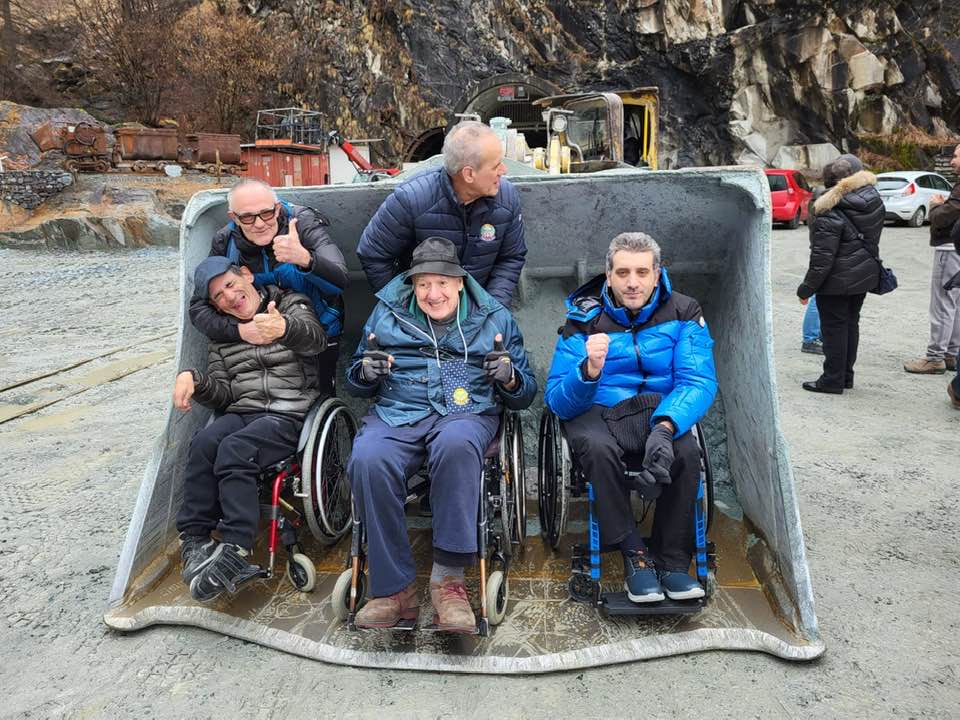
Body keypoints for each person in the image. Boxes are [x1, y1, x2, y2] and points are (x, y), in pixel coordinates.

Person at [345, 237, 537, 632]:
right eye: (423, 284)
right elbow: (356, 381)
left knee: (456, 444)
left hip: (466, 411)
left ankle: (448, 583)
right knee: (368, 457)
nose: (433, 294)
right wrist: (365, 373)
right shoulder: (386, 313)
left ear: (460, 282)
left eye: (442, 283)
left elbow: (525, 394)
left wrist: (510, 378)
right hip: (400, 408)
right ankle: (393, 589)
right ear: (412, 285)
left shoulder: (494, 317)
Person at [544, 232, 718, 604]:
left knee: (687, 454)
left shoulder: (684, 311)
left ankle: (672, 562)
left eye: (642, 272)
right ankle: (635, 555)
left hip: (660, 407)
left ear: (657, 274)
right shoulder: (583, 319)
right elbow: (558, 400)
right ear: (608, 276)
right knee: (596, 449)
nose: (632, 282)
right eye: (623, 272)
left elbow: (698, 381)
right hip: (599, 409)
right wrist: (589, 370)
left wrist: (666, 425)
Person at [173, 256, 327, 603]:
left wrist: (284, 328)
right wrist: (195, 380)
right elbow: (225, 395)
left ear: (246, 275)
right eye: (218, 296)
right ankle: (195, 538)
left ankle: (237, 546)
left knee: (234, 449)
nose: (229, 297)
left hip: (289, 412)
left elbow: (315, 341)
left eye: (230, 285)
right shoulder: (222, 335)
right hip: (244, 410)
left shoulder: (289, 303)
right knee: (204, 442)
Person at [189, 178, 348, 387]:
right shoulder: (225, 241)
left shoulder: (302, 224)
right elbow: (198, 308)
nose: (259, 224)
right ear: (234, 217)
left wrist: (305, 259)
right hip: (262, 334)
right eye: (247, 217)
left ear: (278, 208)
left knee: (322, 389)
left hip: (318, 327)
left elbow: (340, 281)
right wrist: (240, 331)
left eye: (267, 213)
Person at [356, 120, 526, 308]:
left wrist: (492, 310)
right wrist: (406, 308)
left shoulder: (506, 198)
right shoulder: (411, 200)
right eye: (496, 166)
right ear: (469, 174)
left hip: (482, 309)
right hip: (424, 309)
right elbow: (373, 253)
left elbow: (510, 258)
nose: (504, 170)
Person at [797, 154, 883, 394]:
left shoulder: (829, 209)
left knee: (834, 328)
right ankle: (845, 376)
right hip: (863, 275)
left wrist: (806, 288)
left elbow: (822, 258)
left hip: (836, 280)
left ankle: (832, 380)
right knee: (850, 324)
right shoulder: (873, 199)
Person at [903, 144, 960, 375]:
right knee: (955, 303)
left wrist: (936, 206)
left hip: (949, 248)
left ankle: (935, 357)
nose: (952, 161)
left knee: (942, 303)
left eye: (956, 156)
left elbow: (944, 217)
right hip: (956, 249)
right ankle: (950, 354)